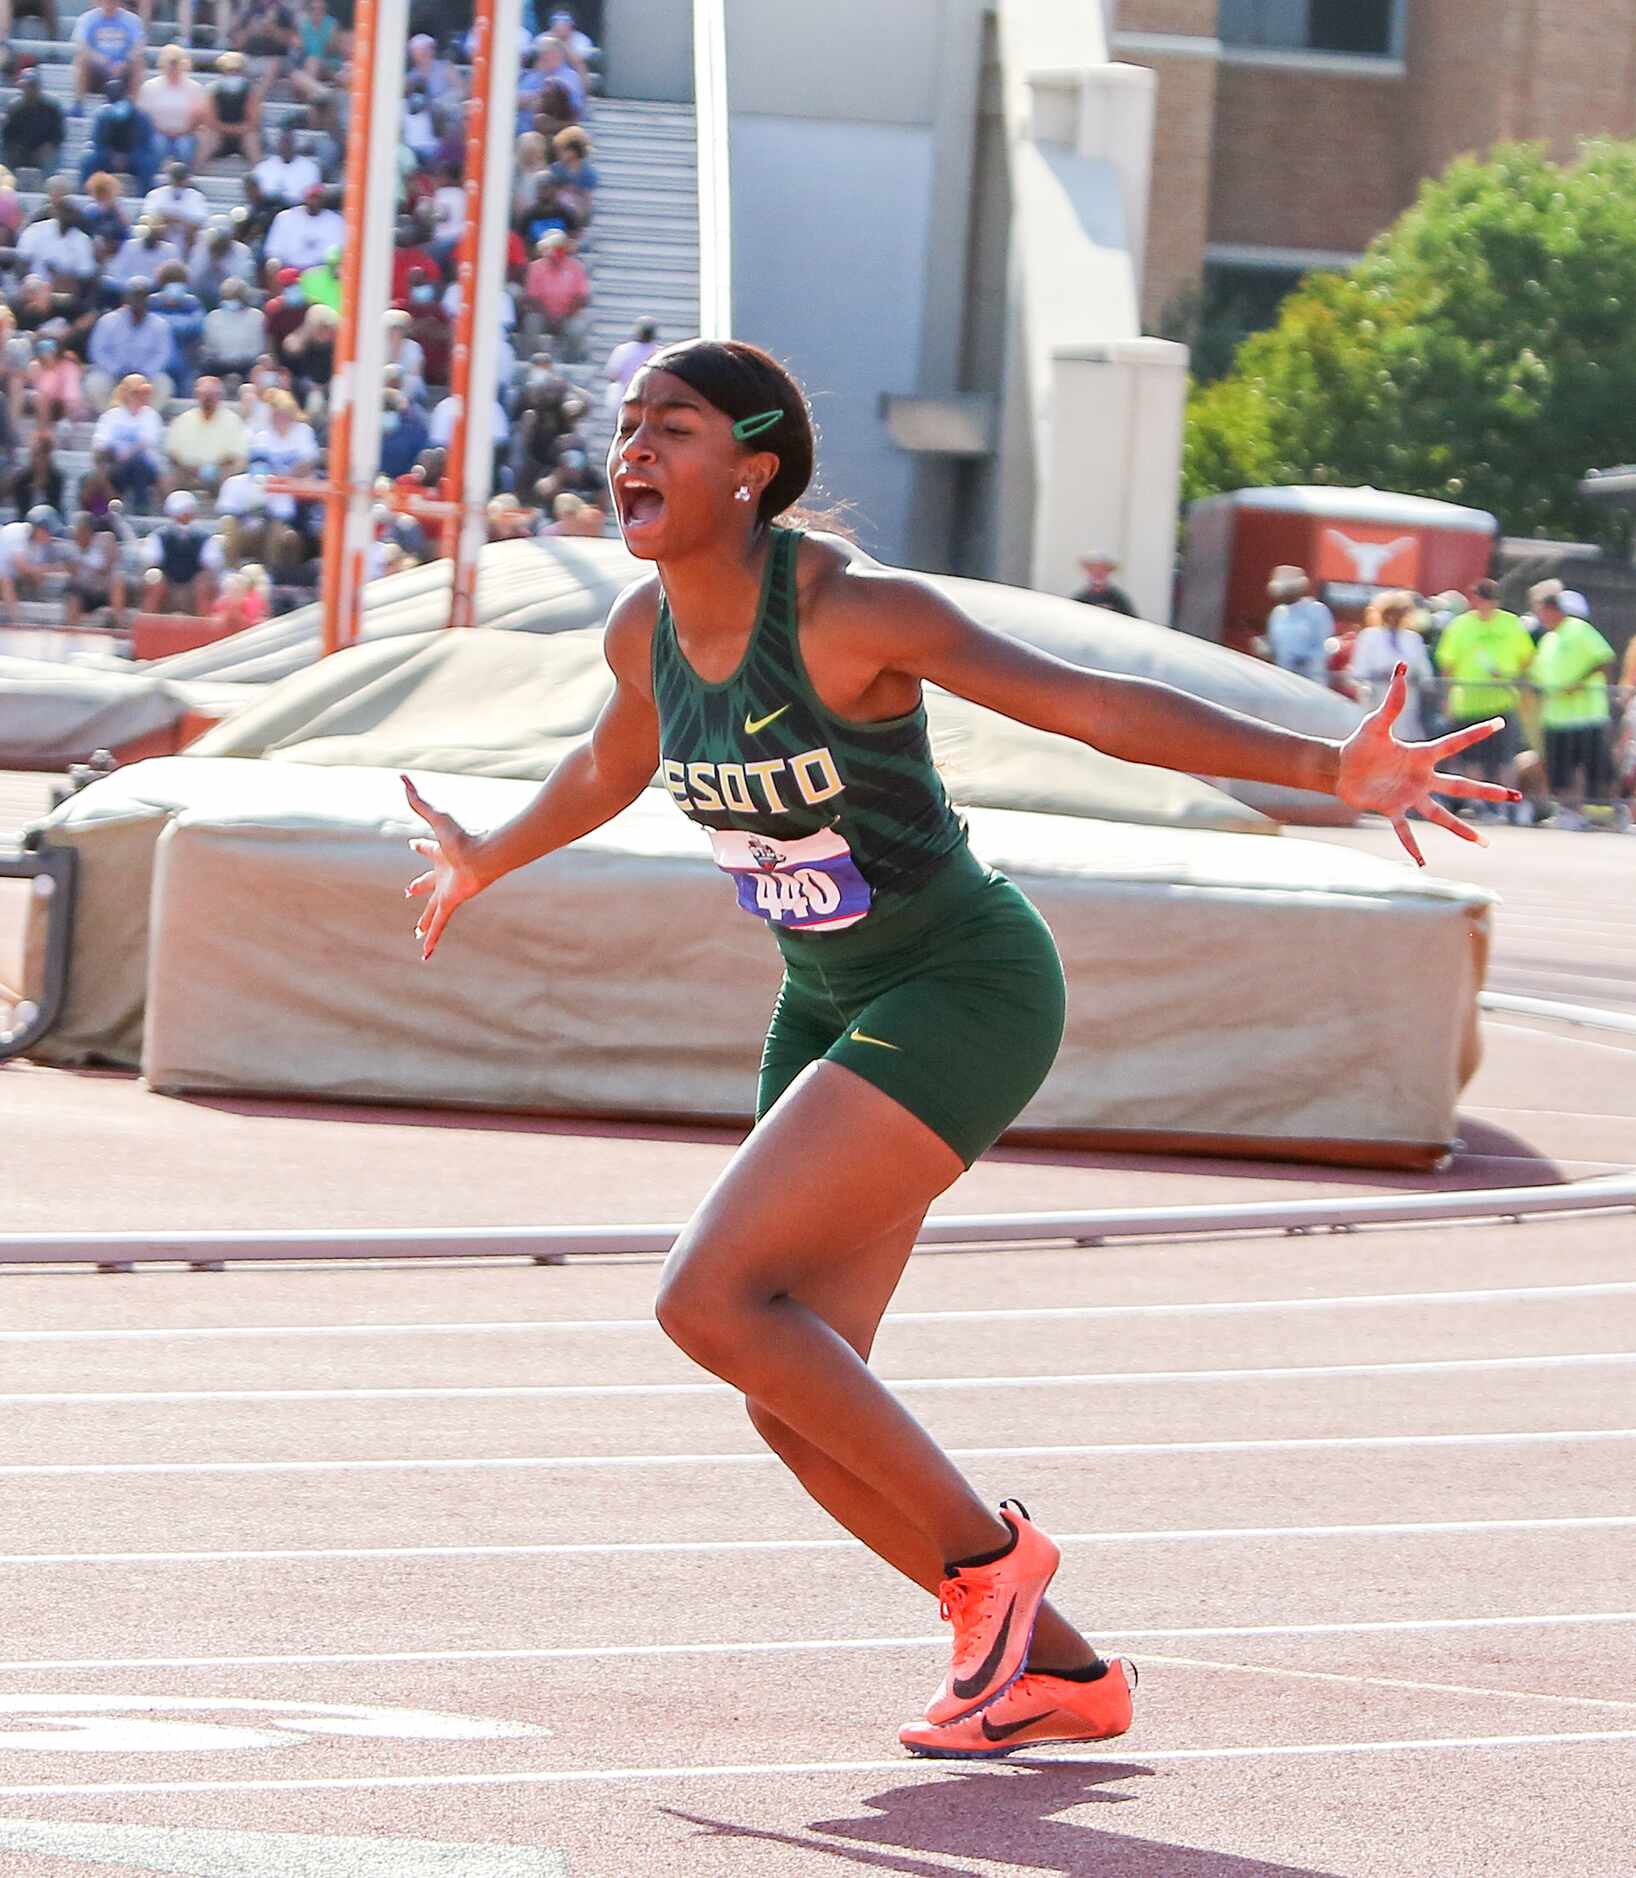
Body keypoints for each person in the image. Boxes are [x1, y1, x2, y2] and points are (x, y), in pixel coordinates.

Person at [401, 339, 1516, 1762]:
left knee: (707, 1299)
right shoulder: (643, 630)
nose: (633, 447)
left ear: (752, 468)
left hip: (963, 983)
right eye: (625, 426)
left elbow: (1092, 704)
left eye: (669, 427)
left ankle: (995, 1564)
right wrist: (490, 854)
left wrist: (1326, 770)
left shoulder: (855, 612)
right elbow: (613, 762)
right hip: (824, 999)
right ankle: (1061, 1672)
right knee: (790, 1399)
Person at [1434, 578, 1534, 804]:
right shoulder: (1460, 625)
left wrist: (1509, 675)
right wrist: (1447, 698)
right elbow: (1447, 664)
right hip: (1468, 703)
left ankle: (1506, 803)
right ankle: (1478, 801)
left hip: (1502, 703)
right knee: (1473, 758)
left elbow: (1527, 659)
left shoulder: (1511, 623)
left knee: (1503, 758)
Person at [1532, 590, 1622, 831]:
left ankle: (1608, 815)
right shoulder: (1548, 639)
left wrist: (1578, 683)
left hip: (1587, 716)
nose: (1539, 615)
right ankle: (1570, 813)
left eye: (1541, 609)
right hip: (1557, 718)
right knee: (1560, 770)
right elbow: (1538, 675)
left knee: (1597, 769)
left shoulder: (1578, 628)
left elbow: (1604, 658)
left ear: (1553, 609)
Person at [1349, 589, 1434, 742]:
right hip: (1377, 695)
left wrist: (1419, 679)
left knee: (1403, 735)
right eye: (1390, 613)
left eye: (1399, 614)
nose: (1394, 618)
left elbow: (1424, 670)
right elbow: (1359, 669)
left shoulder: (1412, 638)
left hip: (1406, 696)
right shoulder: (1369, 636)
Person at [142, 487, 224, 613]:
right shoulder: (158, 536)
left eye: (187, 512)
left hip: (193, 588)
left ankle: (205, 623)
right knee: (153, 576)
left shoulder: (204, 538)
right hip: (168, 586)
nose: (183, 517)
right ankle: (147, 621)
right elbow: (151, 561)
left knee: (205, 579)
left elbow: (212, 564)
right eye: (179, 513)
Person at [165, 373, 249, 494]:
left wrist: (213, 469)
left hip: (220, 471)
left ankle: (225, 510)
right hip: (187, 470)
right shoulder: (183, 420)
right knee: (167, 479)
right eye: (205, 395)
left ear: (219, 396)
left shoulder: (232, 420)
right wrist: (192, 469)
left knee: (230, 475)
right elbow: (173, 453)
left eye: (212, 395)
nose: (208, 399)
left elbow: (236, 455)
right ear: (197, 395)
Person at [91, 371, 164, 509]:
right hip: (117, 465)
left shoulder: (150, 416)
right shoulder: (112, 416)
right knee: (95, 473)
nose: (140, 396)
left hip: (145, 467)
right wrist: (112, 454)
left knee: (137, 462)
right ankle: (103, 509)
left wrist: (127, 453)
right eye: (135, 392)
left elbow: (147, 441)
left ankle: (141, 507)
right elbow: (100, 443)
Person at [1264, 565, 1333, 686]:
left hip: (1310, 680)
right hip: (1283, 679)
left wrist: (1304, 659)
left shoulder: (1316, 610)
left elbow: (1324, 645)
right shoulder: (1278, 613)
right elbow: (1275, 645)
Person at [138, 46, 206, 166]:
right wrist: (162, 130)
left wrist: (184, 131)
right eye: (170, 63)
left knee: (184, 148)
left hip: (186, 133)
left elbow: (200, 117)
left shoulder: (194, 88)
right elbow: (144, 116)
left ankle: (183, 179)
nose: (173, 68)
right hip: (157, 132)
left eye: (176, 64)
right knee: (158, 146)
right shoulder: (149, 87)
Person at [72, 0, 147, 108]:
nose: (109, 3)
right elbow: (80, 44)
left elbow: (139, 45)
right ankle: (78, 104)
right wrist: (101, 60)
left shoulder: (132, 19)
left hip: (123, 69)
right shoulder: (87, 18)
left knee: (139, 63)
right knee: (80, 59)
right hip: (97, 70)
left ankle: (135, 108)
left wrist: (125, 62)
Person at [61, 509, 127, 626]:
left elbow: (109, 565)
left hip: (104, 588)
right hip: (85, 590)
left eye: (82, 530)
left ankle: (119, 623)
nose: (78, 534)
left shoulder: (105, 540)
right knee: (72, 595)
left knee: (117, 580)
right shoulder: (70, 548)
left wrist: (93, 569)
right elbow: (73, 571)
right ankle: (71, 631)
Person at [0, 503, 62, 612]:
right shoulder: (16, 532)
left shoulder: (39, 545)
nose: (49, 536)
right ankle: (17, 622)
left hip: (10, 578)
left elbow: (36, 573)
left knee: (34, 578)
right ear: (35, 527)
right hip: (4, 579)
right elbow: (23, 567)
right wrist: (56, 568)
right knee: (6, 582)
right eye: (46, 530)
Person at [2, 71, 64, 175]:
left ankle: (49, 188)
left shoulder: (52, 107)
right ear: (22, 87)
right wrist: (16, 149)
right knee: (5, 156)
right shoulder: (14, 108)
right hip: (20, 150)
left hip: (44, 151)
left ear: (39, 87)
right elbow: (7, 136)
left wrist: (49, 146)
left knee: (53, 158)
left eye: (34, 86)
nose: (31, 89)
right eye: (28, 86)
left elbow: (59, 135)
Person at [1070, 550, 1136, 617]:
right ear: (1088, 572)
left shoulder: (1118, 598)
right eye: (1093, 570)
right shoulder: (1080, 599)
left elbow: (1132, 622)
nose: (1098, 573)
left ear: (1108, 572)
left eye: (1102, 570)